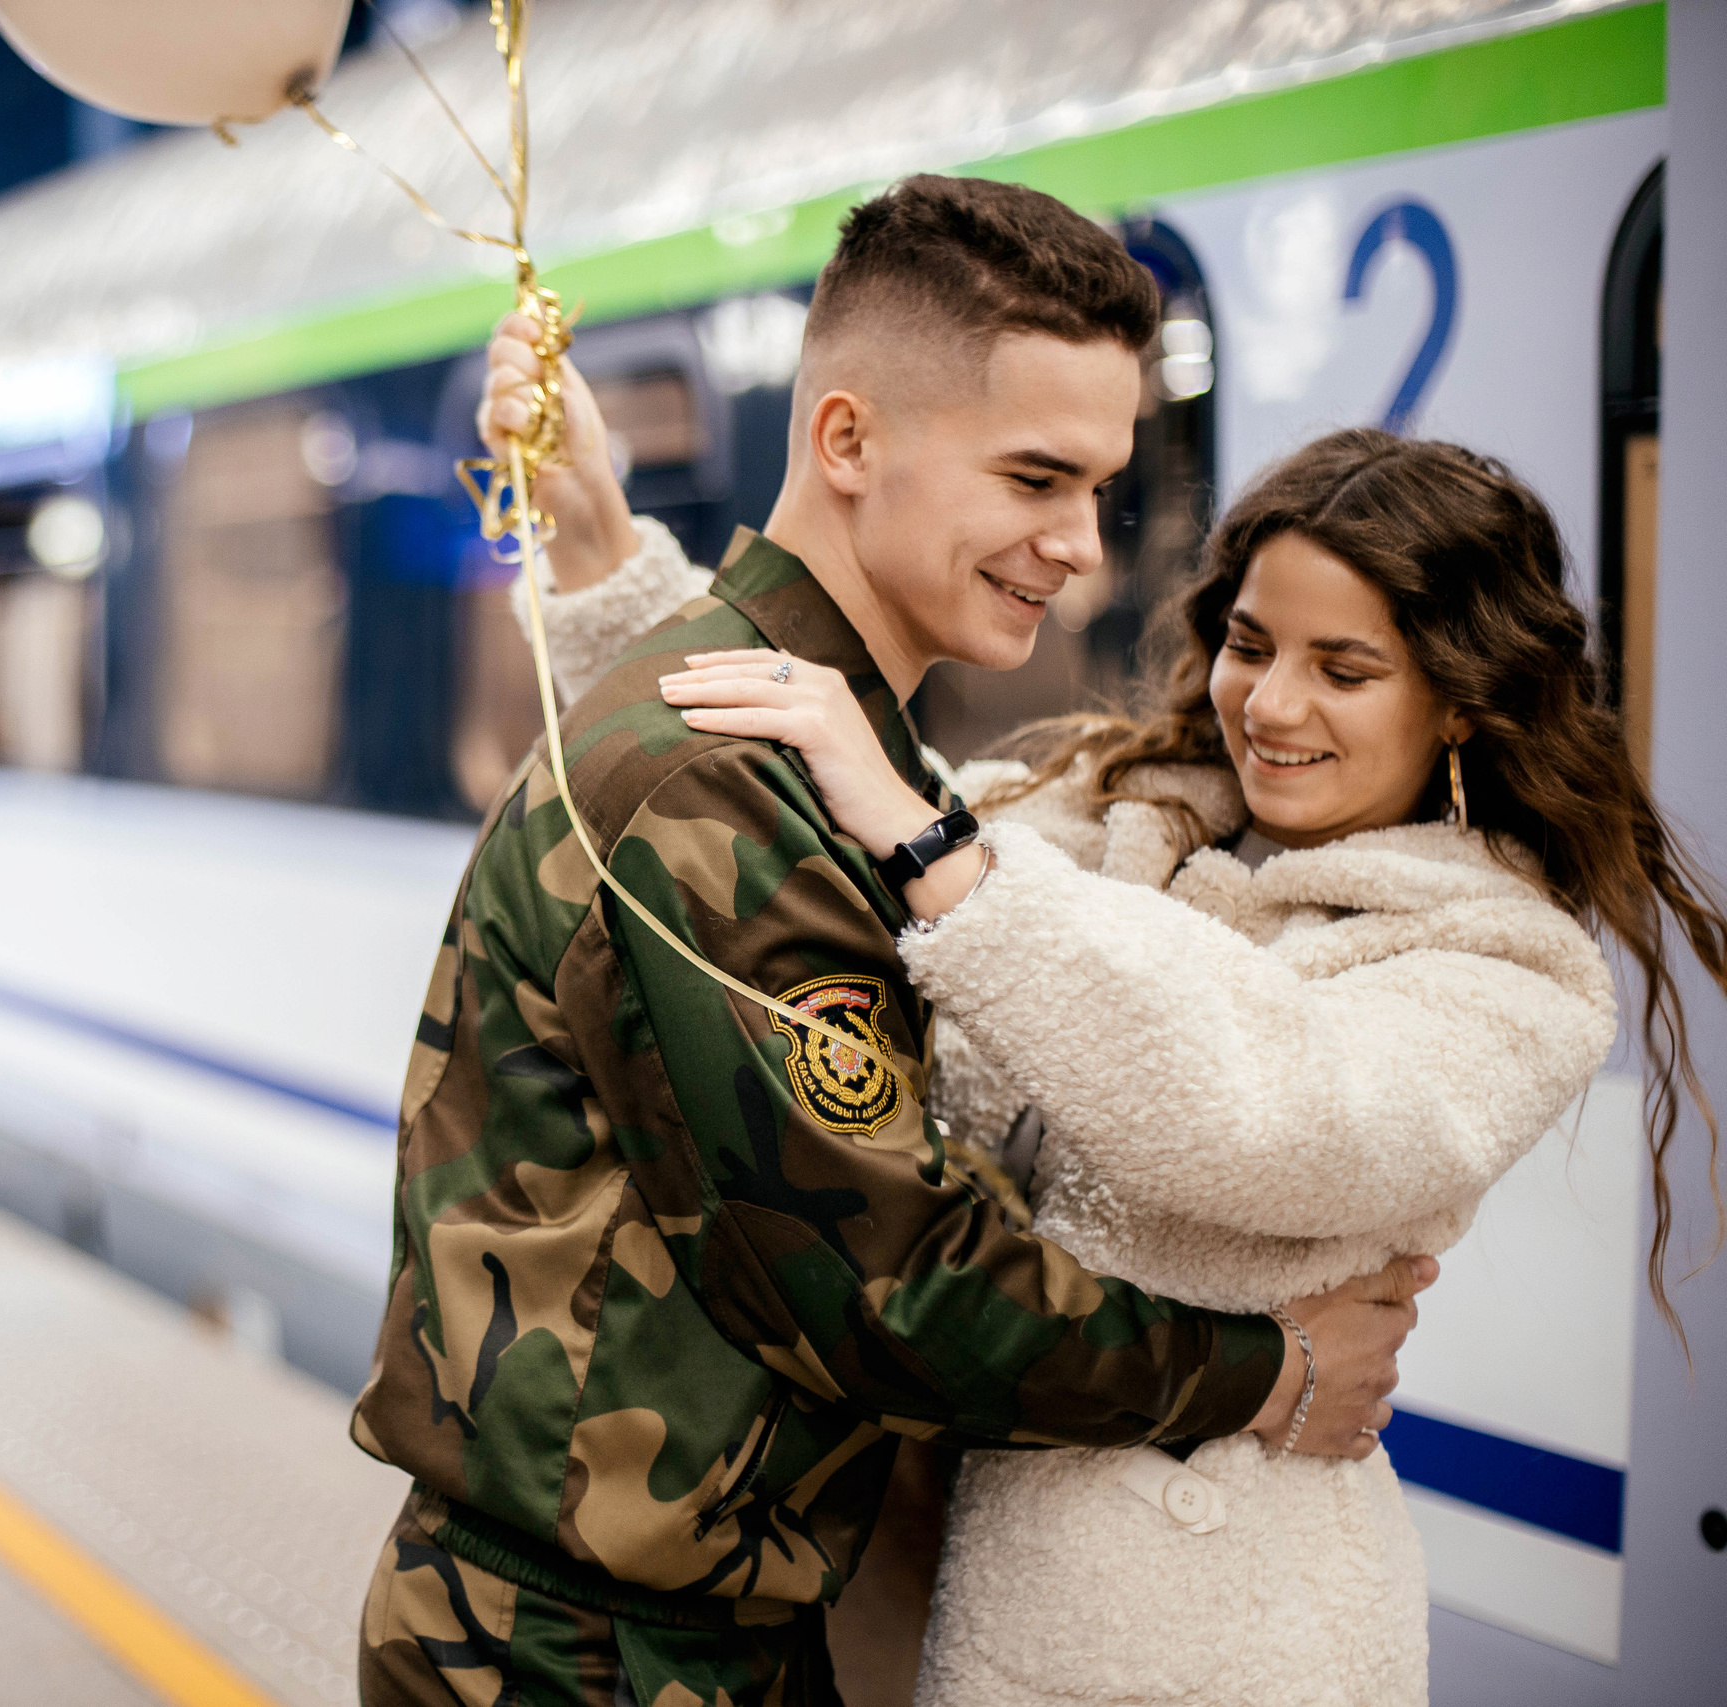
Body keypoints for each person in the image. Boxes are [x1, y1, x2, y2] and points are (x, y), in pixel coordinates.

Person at [350, 175, 1435, 1707]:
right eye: (1035, 479)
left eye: (1100, 491)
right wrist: (1276, 1369)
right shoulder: (719, 773)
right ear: (847, 440)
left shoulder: (834, 752)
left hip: (650, 1628)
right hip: (583, 1653)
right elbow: (891, 1283)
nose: (1081, 547)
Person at [541, 432, 1726, 1697]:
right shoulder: (1114, 814)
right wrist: (599, 549)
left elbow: (1264, 1120)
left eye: (1346, 669)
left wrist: (932, 842)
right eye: (1252, 644)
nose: (1269, 706)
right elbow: (796, 806)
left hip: (1221, 1634)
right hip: (955, 1562)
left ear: (1462, 701)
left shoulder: (1511, 964)